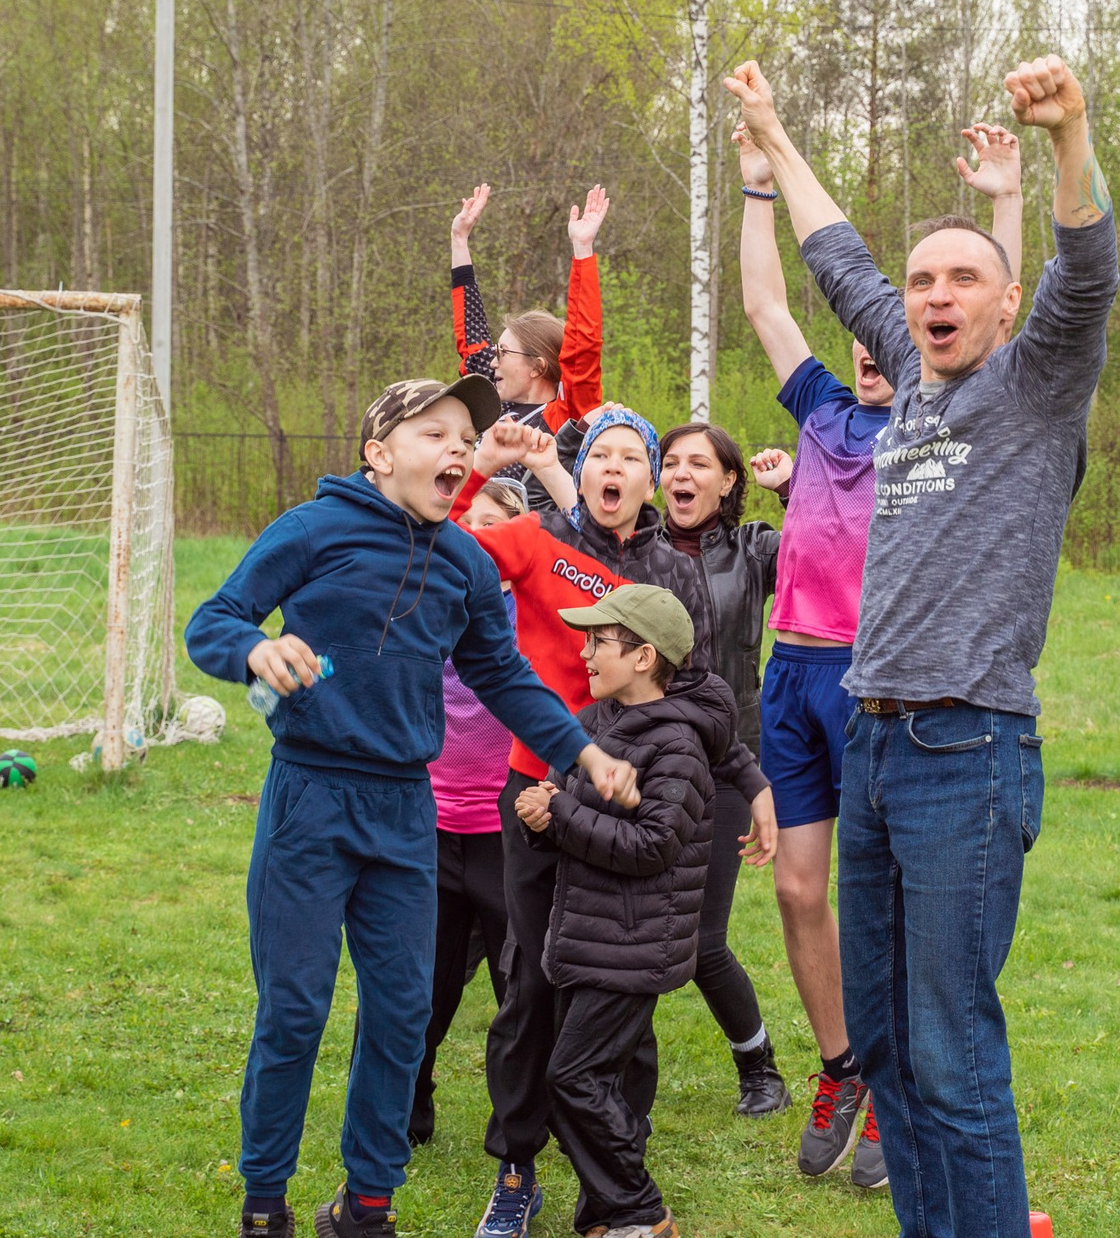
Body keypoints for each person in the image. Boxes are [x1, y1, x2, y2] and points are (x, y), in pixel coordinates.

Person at [730, 53, 1117, 1238]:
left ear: (1005, 304)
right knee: (891, 1047)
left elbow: (1089, 269)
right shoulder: (904, 379)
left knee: (950, 1049)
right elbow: (835, 260)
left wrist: (1067, 137)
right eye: (922, 281)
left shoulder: (1036, 388)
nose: (935, 296)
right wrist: (774, 138)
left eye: (963, 278)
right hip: (875, 743)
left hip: (966, 751)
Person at [183, 377, 643, 1238]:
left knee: (401, 1015)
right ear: (380, 453)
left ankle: (366, 1205)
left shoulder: (464, 561)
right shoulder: (312, 529)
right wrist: (252, 648)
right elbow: (213, 619)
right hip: (311, 798)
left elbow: (504, 675)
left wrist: (584, 751)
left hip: (404, 810)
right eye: (436, 433)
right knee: (295, 1011)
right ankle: (264, 1201)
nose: (458, 448)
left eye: (465, 436)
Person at [733, 111, 1025, 1190]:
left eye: (884, 332)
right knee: (798, 890)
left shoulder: (949, 419)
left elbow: (1001, 324)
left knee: (902, 914)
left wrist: (1007, 200)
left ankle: (899, 1096)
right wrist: (757, 182)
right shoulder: (818, 409)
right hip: (796, 669)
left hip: (891, 687)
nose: (871, 344)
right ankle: (845, 1064)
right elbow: (769, 305)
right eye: (894, 305)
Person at [447, 409, 778, 1238]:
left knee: (621, 993)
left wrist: (750, 779)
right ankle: (516, 1169)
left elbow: (704, 690)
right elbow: (440, 549)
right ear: (581, 469)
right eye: (602, 452)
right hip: (537, 792)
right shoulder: (538, 539)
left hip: (626, 801)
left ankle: (614, 1183)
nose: (616, 466)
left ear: (648, 478)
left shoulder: (674, 567)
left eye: (634, 455)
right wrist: (478, 465)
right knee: (531, 985)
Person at [514, 582, 767, 1238]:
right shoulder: (599, 724)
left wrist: (561, 813)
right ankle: (603, 1214)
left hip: (631, 946)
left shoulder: (677, 745)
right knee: (586, 1082)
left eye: (598, 641)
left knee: (574, 1079)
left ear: (644, 656)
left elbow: (652, 846)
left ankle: (639, 1210)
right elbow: (573, 810)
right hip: (588, 935)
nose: (585, 652)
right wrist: (543, 815)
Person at [653, 419, 796, 1118]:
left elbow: (830, 549)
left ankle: (759, 1067)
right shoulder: (636, 548)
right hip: (642, 759)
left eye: (699, 464)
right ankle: (609, 1077)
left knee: (702, 939)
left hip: (729, 760)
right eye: (671, 462)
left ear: (729, 480)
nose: (681, 474)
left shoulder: (755, 548)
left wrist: (794, 489)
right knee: (631, 931)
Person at [409, 478, 527, 1148]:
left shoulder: (531, 610)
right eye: (469, 522)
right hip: (428, 825)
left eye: (495, 526)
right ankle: (406, 1103)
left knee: (520, 987)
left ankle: (516, 1122)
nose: (479, 536)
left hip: (505, 833)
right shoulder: (424, 597)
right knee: (421, 983)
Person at [450, 181, 608, 508]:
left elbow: (582, 349)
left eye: (503, 353)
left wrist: (583, 250)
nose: (492, 361)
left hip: (530, 536)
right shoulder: (492, 400)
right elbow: (471, 334)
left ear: (538, 366)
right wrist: (459, 239)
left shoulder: (563, 416)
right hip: (467, 528)